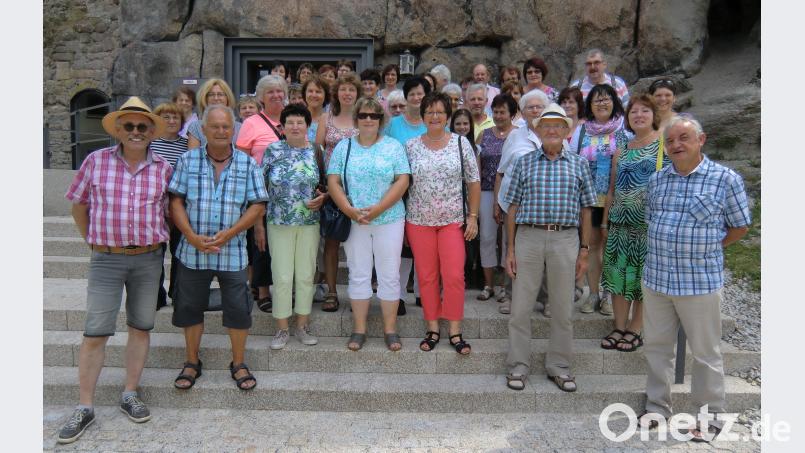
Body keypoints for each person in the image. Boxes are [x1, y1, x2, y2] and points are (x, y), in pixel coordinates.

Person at [59, 97, 171, 444]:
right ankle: (85, 406)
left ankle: (129, 393)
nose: (136, 132)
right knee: (96, 331)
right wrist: (91, 241)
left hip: (149, 258)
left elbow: (170, 212)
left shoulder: (164, 167)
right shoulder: (96, 161)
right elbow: (78, 205)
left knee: (140, 327)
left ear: (151, 131)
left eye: (142, 126)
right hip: (106, 258)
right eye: (129, 126)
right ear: (119, 131)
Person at [640, 115, 750, 442]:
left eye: (683, 138)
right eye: (670, 140)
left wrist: (708, 248)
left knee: (705, 352)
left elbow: (740, 225)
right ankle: (657, 407)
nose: (676, 145)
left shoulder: (724, 179)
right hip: (658, 279)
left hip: (699, 281)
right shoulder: (658, 180)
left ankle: (710, 415)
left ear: (701, 140)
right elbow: (651, 219)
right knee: (657, 348)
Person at [169, 104, 268, 392]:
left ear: (233, 129)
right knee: (189, 308)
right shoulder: (187, 161)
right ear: (203, 129)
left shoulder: (247, 163)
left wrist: (232, 233)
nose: (221, 131)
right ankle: (191, 361)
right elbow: (175, 201)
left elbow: (258, 205)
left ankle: (238, 363)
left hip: (233, 250)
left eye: (226, 126)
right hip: (192, 250)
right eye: (215, 127)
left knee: (238, 310)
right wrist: (190, 236)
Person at [503, 104, 596, 392]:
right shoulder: (524, 162)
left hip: (565, 239)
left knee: (562, 308)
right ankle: (518, 366)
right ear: (537, 131)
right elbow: (512, 208)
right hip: (528, 237)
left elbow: (587, 209)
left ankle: (559, 366)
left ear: (567, 131)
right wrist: (510, 250)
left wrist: (584, 250)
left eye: (558, 126)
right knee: (520, 308)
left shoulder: (579, 163)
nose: (552, 130)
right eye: (546, 126)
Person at [327, 97, 411, 351]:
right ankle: (359, 329)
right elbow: (333, 181)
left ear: (381, 120)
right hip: (356, 220)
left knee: (389, 273)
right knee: (359, 271)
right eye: (363, 115)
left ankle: (390, 329)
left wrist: (379, 208)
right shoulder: (344, 147)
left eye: (373, 116)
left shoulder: (394, 147)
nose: (368, 120)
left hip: (389, 218)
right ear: (356, 119)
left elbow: (402, 180)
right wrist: (349, 210)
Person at [406, 92, 481, 355]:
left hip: (452, 221)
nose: (435, 116)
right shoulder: (411, 146)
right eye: (430, 112)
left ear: (448, 116)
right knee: (426, 277)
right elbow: (403, 182)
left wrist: (472, 216)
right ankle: (433, 327)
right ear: (423, 116)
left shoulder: (461, 144)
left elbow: (473, 181)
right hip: (418, 220)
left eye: (440, 112)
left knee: (453, 276)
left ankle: (455, 330)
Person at [600, 95, 669, 353]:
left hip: (647, 225)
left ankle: (635, 329)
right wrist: (605, 222)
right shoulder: (622, 148)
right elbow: (612, 188)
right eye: (633, 112)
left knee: (642, 279)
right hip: (619, 224)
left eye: (644, 111)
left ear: (653, 115)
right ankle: (618, 326)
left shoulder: (664, 146)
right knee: (617, 276)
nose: (638, 115)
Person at [255, 104, 327, 350]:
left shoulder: (317, 151)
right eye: (290, 122)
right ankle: (282, 328)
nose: (295, 126)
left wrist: (323, 198)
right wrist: (258, 225)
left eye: (300, 122)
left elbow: (326, 185)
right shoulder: (272, 150)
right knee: (282, 276)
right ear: (282, 127)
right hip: (278, 222)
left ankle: (302, 326)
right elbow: (259, 190)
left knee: (306, 275)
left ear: (308, 126)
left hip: (309, 222)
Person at [572, 84, 631, 316]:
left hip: (617, 198)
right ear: (590, 105)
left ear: (614, 101)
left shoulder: (625, 129)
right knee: (592, 246)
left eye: (606, 98)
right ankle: (594, 293)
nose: (602, 103)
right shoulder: (582, 131)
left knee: (613, 248)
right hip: (589, 199)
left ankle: (610, 294)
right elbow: (574, 161)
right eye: (597, 100)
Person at [493, 89, 550, 314]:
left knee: (544, 251)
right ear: (522, 112)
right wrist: (497, 202)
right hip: (515, 204)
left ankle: (546, 298)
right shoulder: (515, 136)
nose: (535, 110)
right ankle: (510, 295)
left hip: (547, 204)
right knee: (512, 249)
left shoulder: (555, 133)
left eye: (539, 106)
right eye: (530, 107)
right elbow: (501, 171)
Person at [237, 74, 288, 312]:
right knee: (261, 241)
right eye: (271, 92)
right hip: (260, 192)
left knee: (284, 243)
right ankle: (263, 290)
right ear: (261, 98)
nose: (276, 95)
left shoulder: (293, 118)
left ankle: (284, 287)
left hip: (289, 195)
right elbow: (242, 160)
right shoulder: (251, 124)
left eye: (280, 91)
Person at [315, 73, 361, 312]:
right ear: (336, 94)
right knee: (332, 242)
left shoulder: (364, 118)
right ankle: (332, 292)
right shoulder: (326, 118)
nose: (347, 93)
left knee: (357, 243)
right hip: (333, 188)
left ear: (357, 93)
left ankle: (358, 292)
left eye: (351, 90)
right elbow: (318, 151)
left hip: (360, 187)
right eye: (343, 89)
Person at [385, 77, 431, 309]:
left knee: (422, 244)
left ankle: (423, 291)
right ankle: (400, 294)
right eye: (411, 94)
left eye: (420, 94)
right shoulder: (393, 124)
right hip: (399, 189)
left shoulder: (432, 122)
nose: (416, 98)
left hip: (427, 191)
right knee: (402, 245)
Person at [476, 94, 517, 301]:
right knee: (488, 237)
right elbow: (477, 165)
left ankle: (504, 285)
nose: (499, 116)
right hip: (485, 190)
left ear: (512, 114)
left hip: (512, 192)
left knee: (508, 238)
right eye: (496, 111)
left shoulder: (519, 135)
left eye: (503, 112)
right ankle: (488, 284)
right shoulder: (483, 134)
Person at [150, 102, 189, 309]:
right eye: (166, 117)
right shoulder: (150, 144)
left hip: (181, 205)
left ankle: (177, 292)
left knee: (179, 251)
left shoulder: (186, 144)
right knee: (156, 253)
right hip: (155, 207)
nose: (172, 121)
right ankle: (156, 295)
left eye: (175, 118)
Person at [187, 78, 241, 149]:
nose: (216, 98)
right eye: (211, 95)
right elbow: (192, 157)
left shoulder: (240, 128)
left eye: (220, 94)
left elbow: (241, 157)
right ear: (205, 98)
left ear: (227, 98)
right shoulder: (196, 127)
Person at [302, 75, 331, 144]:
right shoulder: (296, 117)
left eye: (318, 92)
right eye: (310, 91)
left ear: (325, 95)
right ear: (305, 94)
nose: (314, 95)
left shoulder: (331, 120)